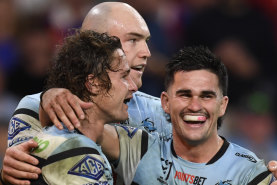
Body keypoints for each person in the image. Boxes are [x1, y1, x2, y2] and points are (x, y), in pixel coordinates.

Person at [1, 2, 277, 185]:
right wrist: (10, 169)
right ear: (93, 46)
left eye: (147, 41)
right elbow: (21, 166)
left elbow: (219, 164)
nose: (146, 52)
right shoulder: (34, 106)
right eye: (133, 39)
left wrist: (262, 178)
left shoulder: (161, 113)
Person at [97, 46, 276, 184]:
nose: (195, 106)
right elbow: (86, 121)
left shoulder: (248, 172)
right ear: (166, 102)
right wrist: (67, 95)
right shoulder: (140, 149)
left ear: (223, 106)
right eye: (185, 95)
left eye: (206, 96)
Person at [20, 30, 134, 185]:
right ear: (94, 84)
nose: (133, 86)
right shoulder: (82, 154)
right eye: (124, 76)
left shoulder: (54, 138)